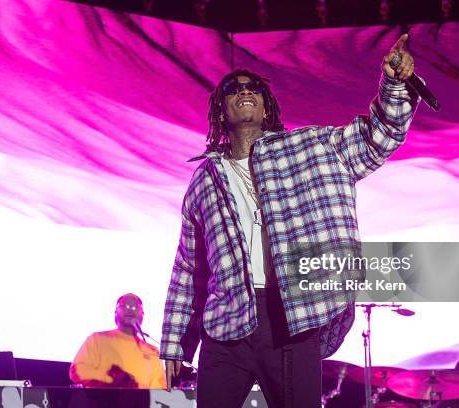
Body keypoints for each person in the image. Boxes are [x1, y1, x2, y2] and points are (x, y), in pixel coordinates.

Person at [160, 33, 419, 407]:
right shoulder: (204, 179)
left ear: (266, 108)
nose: (244, 90)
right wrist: (174, 343)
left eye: (254, 88)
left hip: (292, 315)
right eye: (233, 88)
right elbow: (189, 268)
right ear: (221, 111)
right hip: (226, 322)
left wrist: (394, 85)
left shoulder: (313, 148)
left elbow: (380, 136)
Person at [69, 293, 166, 389]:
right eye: (125, 305)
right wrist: (112, 379)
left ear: (143, 315)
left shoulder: (153, 351)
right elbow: (77, 371)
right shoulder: (97, 339)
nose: (130, 309)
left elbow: (159, 391)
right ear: (115, 312)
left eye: (136, 307)